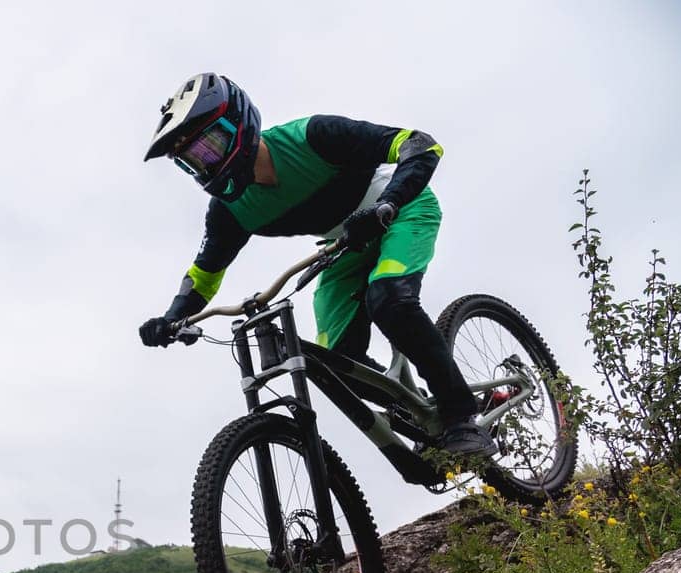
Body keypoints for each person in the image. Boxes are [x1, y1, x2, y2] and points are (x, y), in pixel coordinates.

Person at [137, 73, 497, 457]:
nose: (205, 163)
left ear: (237, 123)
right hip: (345, 244)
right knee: (335, 362)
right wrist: (172, 318)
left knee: (390, 299)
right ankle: (421, 412)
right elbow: (204, 275)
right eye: (193, 160)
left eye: (208, 147)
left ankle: (462, 415)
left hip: (401, 210)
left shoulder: (313, 136)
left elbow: (420, 145)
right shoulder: (229, 212)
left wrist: (387, 203)